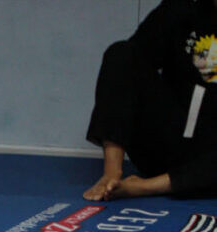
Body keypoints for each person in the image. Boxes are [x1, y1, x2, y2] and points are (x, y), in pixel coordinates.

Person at [83, 0, 217, 201]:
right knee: (121, 54)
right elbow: (130, 63)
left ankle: (143, 187)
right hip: (167, 142)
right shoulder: (182, 8)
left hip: (209, 160)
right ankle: (111, 176)